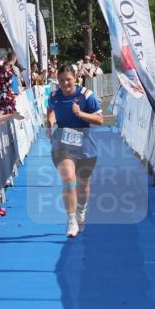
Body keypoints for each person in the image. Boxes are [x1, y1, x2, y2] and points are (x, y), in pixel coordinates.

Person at [46, 64, 104, 238]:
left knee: (83, 183)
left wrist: (81, 115)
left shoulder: (86, 95)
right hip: (62, 143)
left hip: (85, 144)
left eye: (68, 79)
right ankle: (71, 220)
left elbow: (100, 119)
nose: (65, 83)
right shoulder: (54, 96)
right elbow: (50, 110)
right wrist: (49, 123)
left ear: (75, 78)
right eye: (61, 80)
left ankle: (81, 210)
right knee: (68, 178)